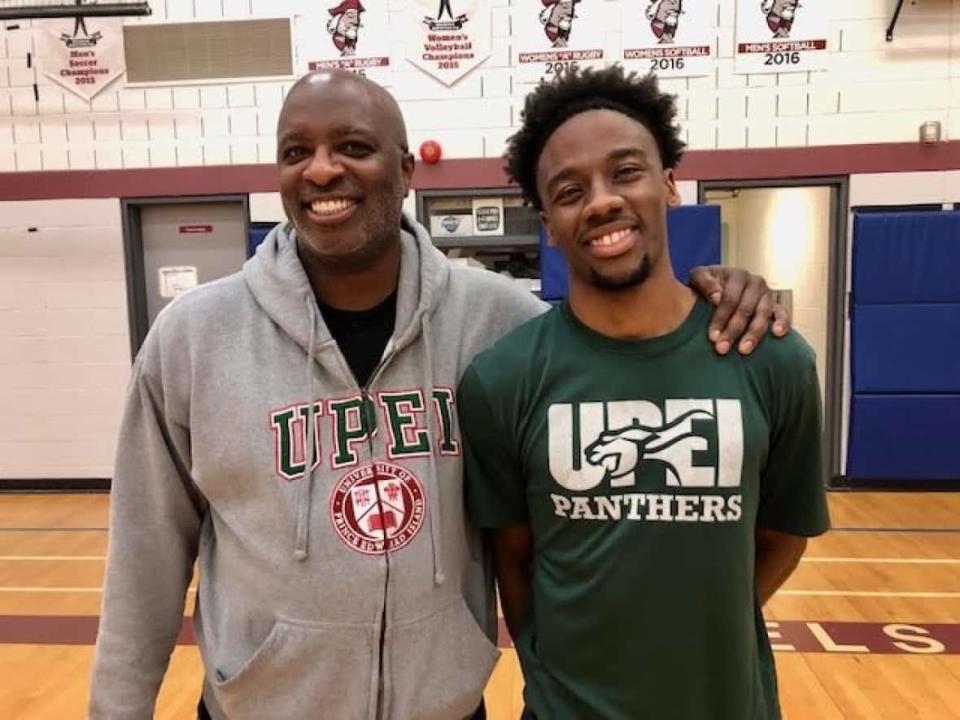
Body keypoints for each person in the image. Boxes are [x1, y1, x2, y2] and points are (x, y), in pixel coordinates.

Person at [89, 69, 789, 720]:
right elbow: (144, 553)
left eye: (354, 146)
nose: (322, 168)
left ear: (406, 169)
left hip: (445, 709)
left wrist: (715, 293)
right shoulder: (194, 337)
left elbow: (627, 343)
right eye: (296, 150)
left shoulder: (502, 324)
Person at [459, 65, 829, 720]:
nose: (601, 201)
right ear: (548, 222)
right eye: (570, 190)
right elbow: (513, 561)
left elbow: (782, 536)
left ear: (668, 185)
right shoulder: (502, 380)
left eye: (625, 172)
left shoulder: (772, 360)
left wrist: (697, 629)